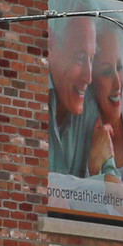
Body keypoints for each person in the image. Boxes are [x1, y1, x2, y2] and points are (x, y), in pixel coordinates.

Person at [87, 19, 123, 193]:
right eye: (106, 72)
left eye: (119, 67)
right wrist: (95, 168)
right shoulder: (76, 131)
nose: (118, 84)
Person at [47, 11, 98, 178]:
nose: (88, 78)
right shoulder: (32, 98)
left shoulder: (90, 106)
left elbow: (116, 193)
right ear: (51, 44)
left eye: (91, 59)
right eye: (80, 58)